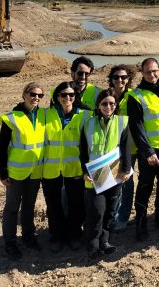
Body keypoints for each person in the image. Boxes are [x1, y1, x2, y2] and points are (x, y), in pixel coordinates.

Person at [80, 88, 132, 260]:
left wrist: (126, 170)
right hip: (94, 175)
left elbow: (126, 150)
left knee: (110, 211)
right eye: (104, 103)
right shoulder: (88, 123)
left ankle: (105, 242)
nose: (108, 106)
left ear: (116, 105)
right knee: (97, 211)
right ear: (98, 105)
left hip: (115, 173)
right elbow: (83, 151)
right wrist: (84, 172)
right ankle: (92, 245)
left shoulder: (122, 122)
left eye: (111, 103)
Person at [0, 82, 46, 259]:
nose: (36, 98)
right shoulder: (12, 118)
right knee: (11, 208)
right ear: (24, 94)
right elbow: (2, 148)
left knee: (29, 206)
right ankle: (10, 243)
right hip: (16, 172)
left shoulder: (43, 115)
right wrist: (2, 172)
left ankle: (28, 237)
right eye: (33, 94)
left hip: (35, 171)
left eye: (40, 96)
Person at [128, 57, 159, 240]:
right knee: (145, 188)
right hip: (150, 153)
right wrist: (148, 153)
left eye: (155, 71)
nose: (152, 75)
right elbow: (137, 128)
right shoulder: (136, 96)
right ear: (142, 73)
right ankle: (141, 225)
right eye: (148, 72)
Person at [41, 81, 88, 252]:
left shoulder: (85, 115)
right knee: (53, 205)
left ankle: (74, 235)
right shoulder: (46, 114)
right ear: (57, 97)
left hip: (74, 169)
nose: (67, 98)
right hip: (51, 169)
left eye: (71, 95)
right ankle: (57, 236)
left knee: (76, 204)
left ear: (76, 97)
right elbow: (24, 110)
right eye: (63, 95)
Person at [108, 64, 137, 232]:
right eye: (116, 77)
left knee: (126, 181)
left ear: (128, 79)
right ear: (111, 79)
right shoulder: (107, 96)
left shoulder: (134, 96)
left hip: (130, 147)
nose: (120, 80)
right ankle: (112, 215)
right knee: (111, 181)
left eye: (124, 77)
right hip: (110, 147)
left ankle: (123, 217)